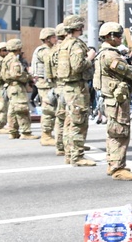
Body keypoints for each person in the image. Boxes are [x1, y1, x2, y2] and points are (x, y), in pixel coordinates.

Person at [95, 22, 132, 181]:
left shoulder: (103, 53)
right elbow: (128, 71)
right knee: (120, 132)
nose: (120, 39)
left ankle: (113, 163)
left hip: (111, 98)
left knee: (113, 132)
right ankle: (118, 168)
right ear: (110, 36)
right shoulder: (111, 55)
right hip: (116, 100)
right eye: (118, 36)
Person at [55, 16, 96, 165]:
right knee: (79, 121)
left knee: (69, 121)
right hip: (77, 87)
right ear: (78, 28)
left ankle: (69, 153)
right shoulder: (76, 45)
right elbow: (78, 65)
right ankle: (77, 156)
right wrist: (90, 58)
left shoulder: (63, 44)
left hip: (67, 87)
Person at [2, 39, 38, 140]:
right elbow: (17, 75)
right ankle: (26, 132)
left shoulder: (6, 58)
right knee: (22, 109)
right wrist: (29, 77)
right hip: (17, 87)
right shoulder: (14, 60)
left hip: (10, 87)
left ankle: (13, 131)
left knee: (13, 110)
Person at [31, 27, 58, 145]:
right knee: (49, 109)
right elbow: (52, 59)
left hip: (48, 83)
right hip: (45, 84)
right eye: (54, 37)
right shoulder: (44, 50)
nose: (56, 39)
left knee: (52, 109)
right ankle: (46, 135)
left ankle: (49, 134)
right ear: (48, 39)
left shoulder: (47, 49)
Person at [45, 24, 68, 156]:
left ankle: (60, 146)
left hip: (56, 87)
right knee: (71, 119)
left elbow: (49, 74)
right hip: (67, 87)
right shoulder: (65, 49)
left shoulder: (51, 51)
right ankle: (69, 146)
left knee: (60, 118)